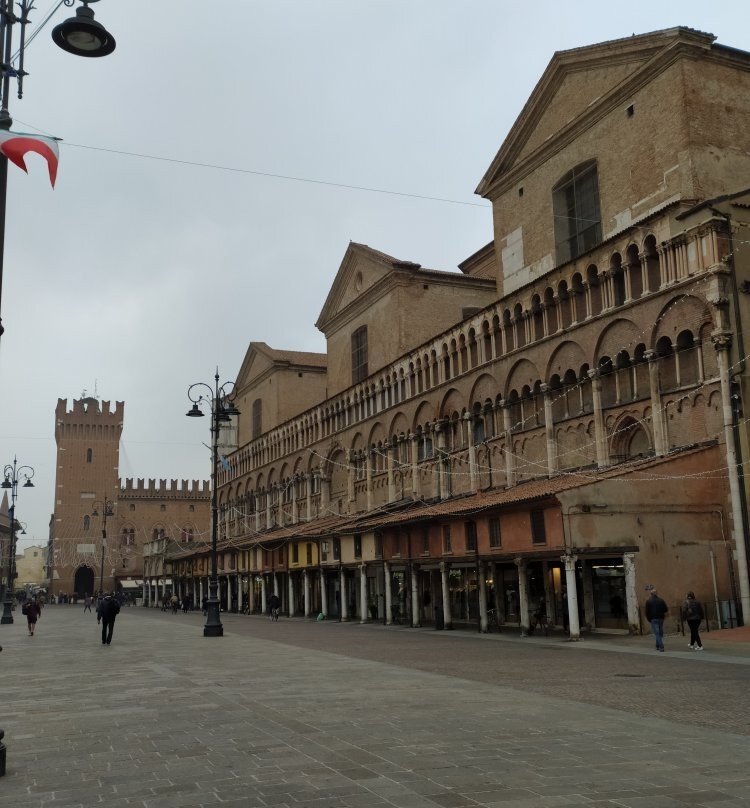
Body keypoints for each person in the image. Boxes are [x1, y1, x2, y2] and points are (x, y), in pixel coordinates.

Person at [644, 585, 669, 652]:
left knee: (657, 633)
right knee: (659, 633)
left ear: (651, 594)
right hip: (661, 618)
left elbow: (647, 612)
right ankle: (657, 645)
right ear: (656, 593)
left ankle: (661, 646)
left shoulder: (648, 601)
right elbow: (666, 609)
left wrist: (649, 619)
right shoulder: (661, 600)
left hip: (653, 619)